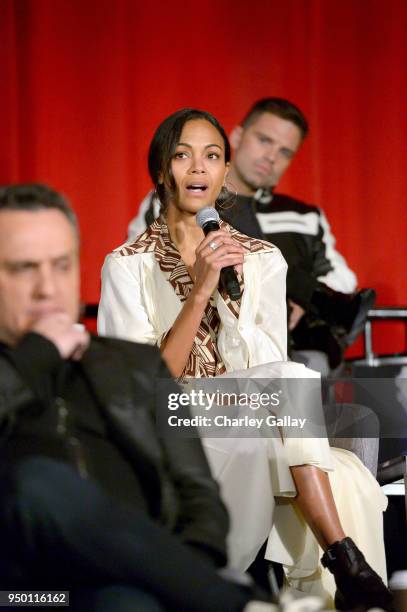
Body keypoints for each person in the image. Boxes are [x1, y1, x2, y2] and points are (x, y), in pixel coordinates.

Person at [98, 108, 392, 610]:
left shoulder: (260, 259)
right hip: (174, 419)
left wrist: (230, 299)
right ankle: (343, 557)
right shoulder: (127, 265)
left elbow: (273, 365)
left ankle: (342, 565)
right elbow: (145, 385)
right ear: (160, 171)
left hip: (254, 415)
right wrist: (199, 292)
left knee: (291, 386)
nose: (198, 169)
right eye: (183, 155)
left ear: (225, 173)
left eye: (212, 157)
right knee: (286, 379)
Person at [0, 183, 272, 612]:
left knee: (129, 605)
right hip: (29, 596)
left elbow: (199, 496)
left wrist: (177, 578)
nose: (47, 288)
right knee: (37, 482)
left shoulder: (136, 366)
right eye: (22, 269)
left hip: (139, 585)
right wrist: (37, 355)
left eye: (62, 265)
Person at [127, 99, 375, 373]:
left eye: (285, 152)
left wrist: (298, 301)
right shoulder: (178, 195)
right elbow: (141, 268)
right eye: (264, 140)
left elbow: (343, 280)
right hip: (202, 340)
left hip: (285, 349)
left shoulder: (303, 216)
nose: (271, 157)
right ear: (237, 136)